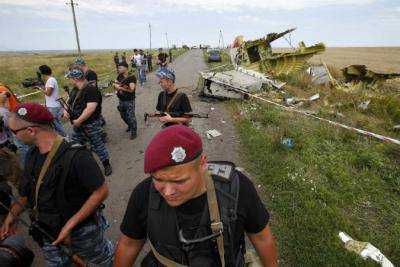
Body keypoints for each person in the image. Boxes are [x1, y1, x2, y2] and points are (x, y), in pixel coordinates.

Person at [114, 125, 278, 266]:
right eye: (158, 179)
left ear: (202, 164)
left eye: (179, 181)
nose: (168, 191)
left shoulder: (236, 187)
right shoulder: (144, 194)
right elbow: (129, 244)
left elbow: (261, 237)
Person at [0, 103, 114, 266]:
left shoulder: (77, 155)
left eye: (14, 132)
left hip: (82, 233)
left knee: (101, 262)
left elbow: (101, 191)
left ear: (31, 130)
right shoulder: (32, 154)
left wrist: (70, 225)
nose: (14, 137)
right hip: (48, 231)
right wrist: (12, 216)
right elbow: (28, 192)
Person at [64, 68, 112, 176]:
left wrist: (79, 120)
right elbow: (69, 100)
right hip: (78, 124)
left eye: (70, 78)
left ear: (76, 78)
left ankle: (106, 164)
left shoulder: (91, 90)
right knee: (75, 144)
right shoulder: (75, 89)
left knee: (97, 145)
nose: (70, 80)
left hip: (90, 124)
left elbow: (90, 108)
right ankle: (83, 165)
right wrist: (65, 111)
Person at [74, 57, 107, 128]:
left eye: (77, 66)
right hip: (88, 95)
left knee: (94, 111)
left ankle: (99, 125)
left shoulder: (91, 73)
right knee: (94, 112)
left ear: (80, 65)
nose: (77, 68)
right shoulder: (84, 74)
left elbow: (93, 86)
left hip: (93, 95)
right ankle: (100, 122)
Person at [38, 65, 66, 137]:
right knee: (57, 122)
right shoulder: (51, 79)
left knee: (54, 123)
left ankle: (64, 136)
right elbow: (48, 90)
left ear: (42, 73)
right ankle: (64, 137)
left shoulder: (50, 80)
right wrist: (42, 87)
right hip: (54, 105)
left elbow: (48, 93)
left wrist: (40, 89)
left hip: (53, 106)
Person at [114, 62, 137, 140]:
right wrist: (116, 86)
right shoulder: (119, 76)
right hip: (121, 100)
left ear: (126, 68)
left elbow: (131, 90)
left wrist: (120, 88)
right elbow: (116, 83)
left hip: (129, 100)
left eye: (120, 67)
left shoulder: (131, 77)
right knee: (123, 115)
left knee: (131, 116)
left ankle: (134, 131)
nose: (118, 69)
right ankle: (130, 125)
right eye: (118, 67)